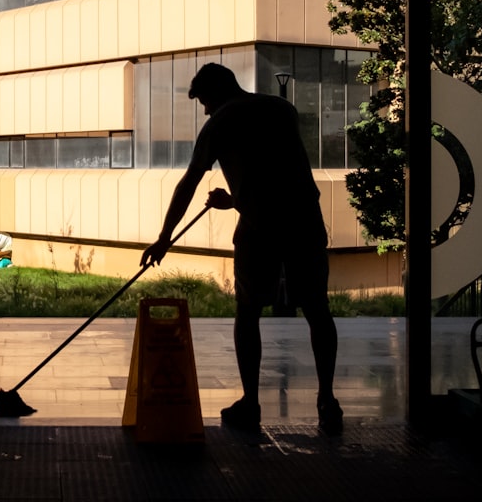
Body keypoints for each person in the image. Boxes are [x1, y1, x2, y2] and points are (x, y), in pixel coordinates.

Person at [140, 62, 343, 435]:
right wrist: (234, 200)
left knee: (248, 312)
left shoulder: (220, 122)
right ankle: (327, 399)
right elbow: (277, 174)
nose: (203, 109)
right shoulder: (283, 110)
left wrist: (164, 237)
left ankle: (251, 403)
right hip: (304, 220)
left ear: (215, 93)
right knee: (317, 309)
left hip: (259, 229)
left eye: (203, 101)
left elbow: (189, 182)